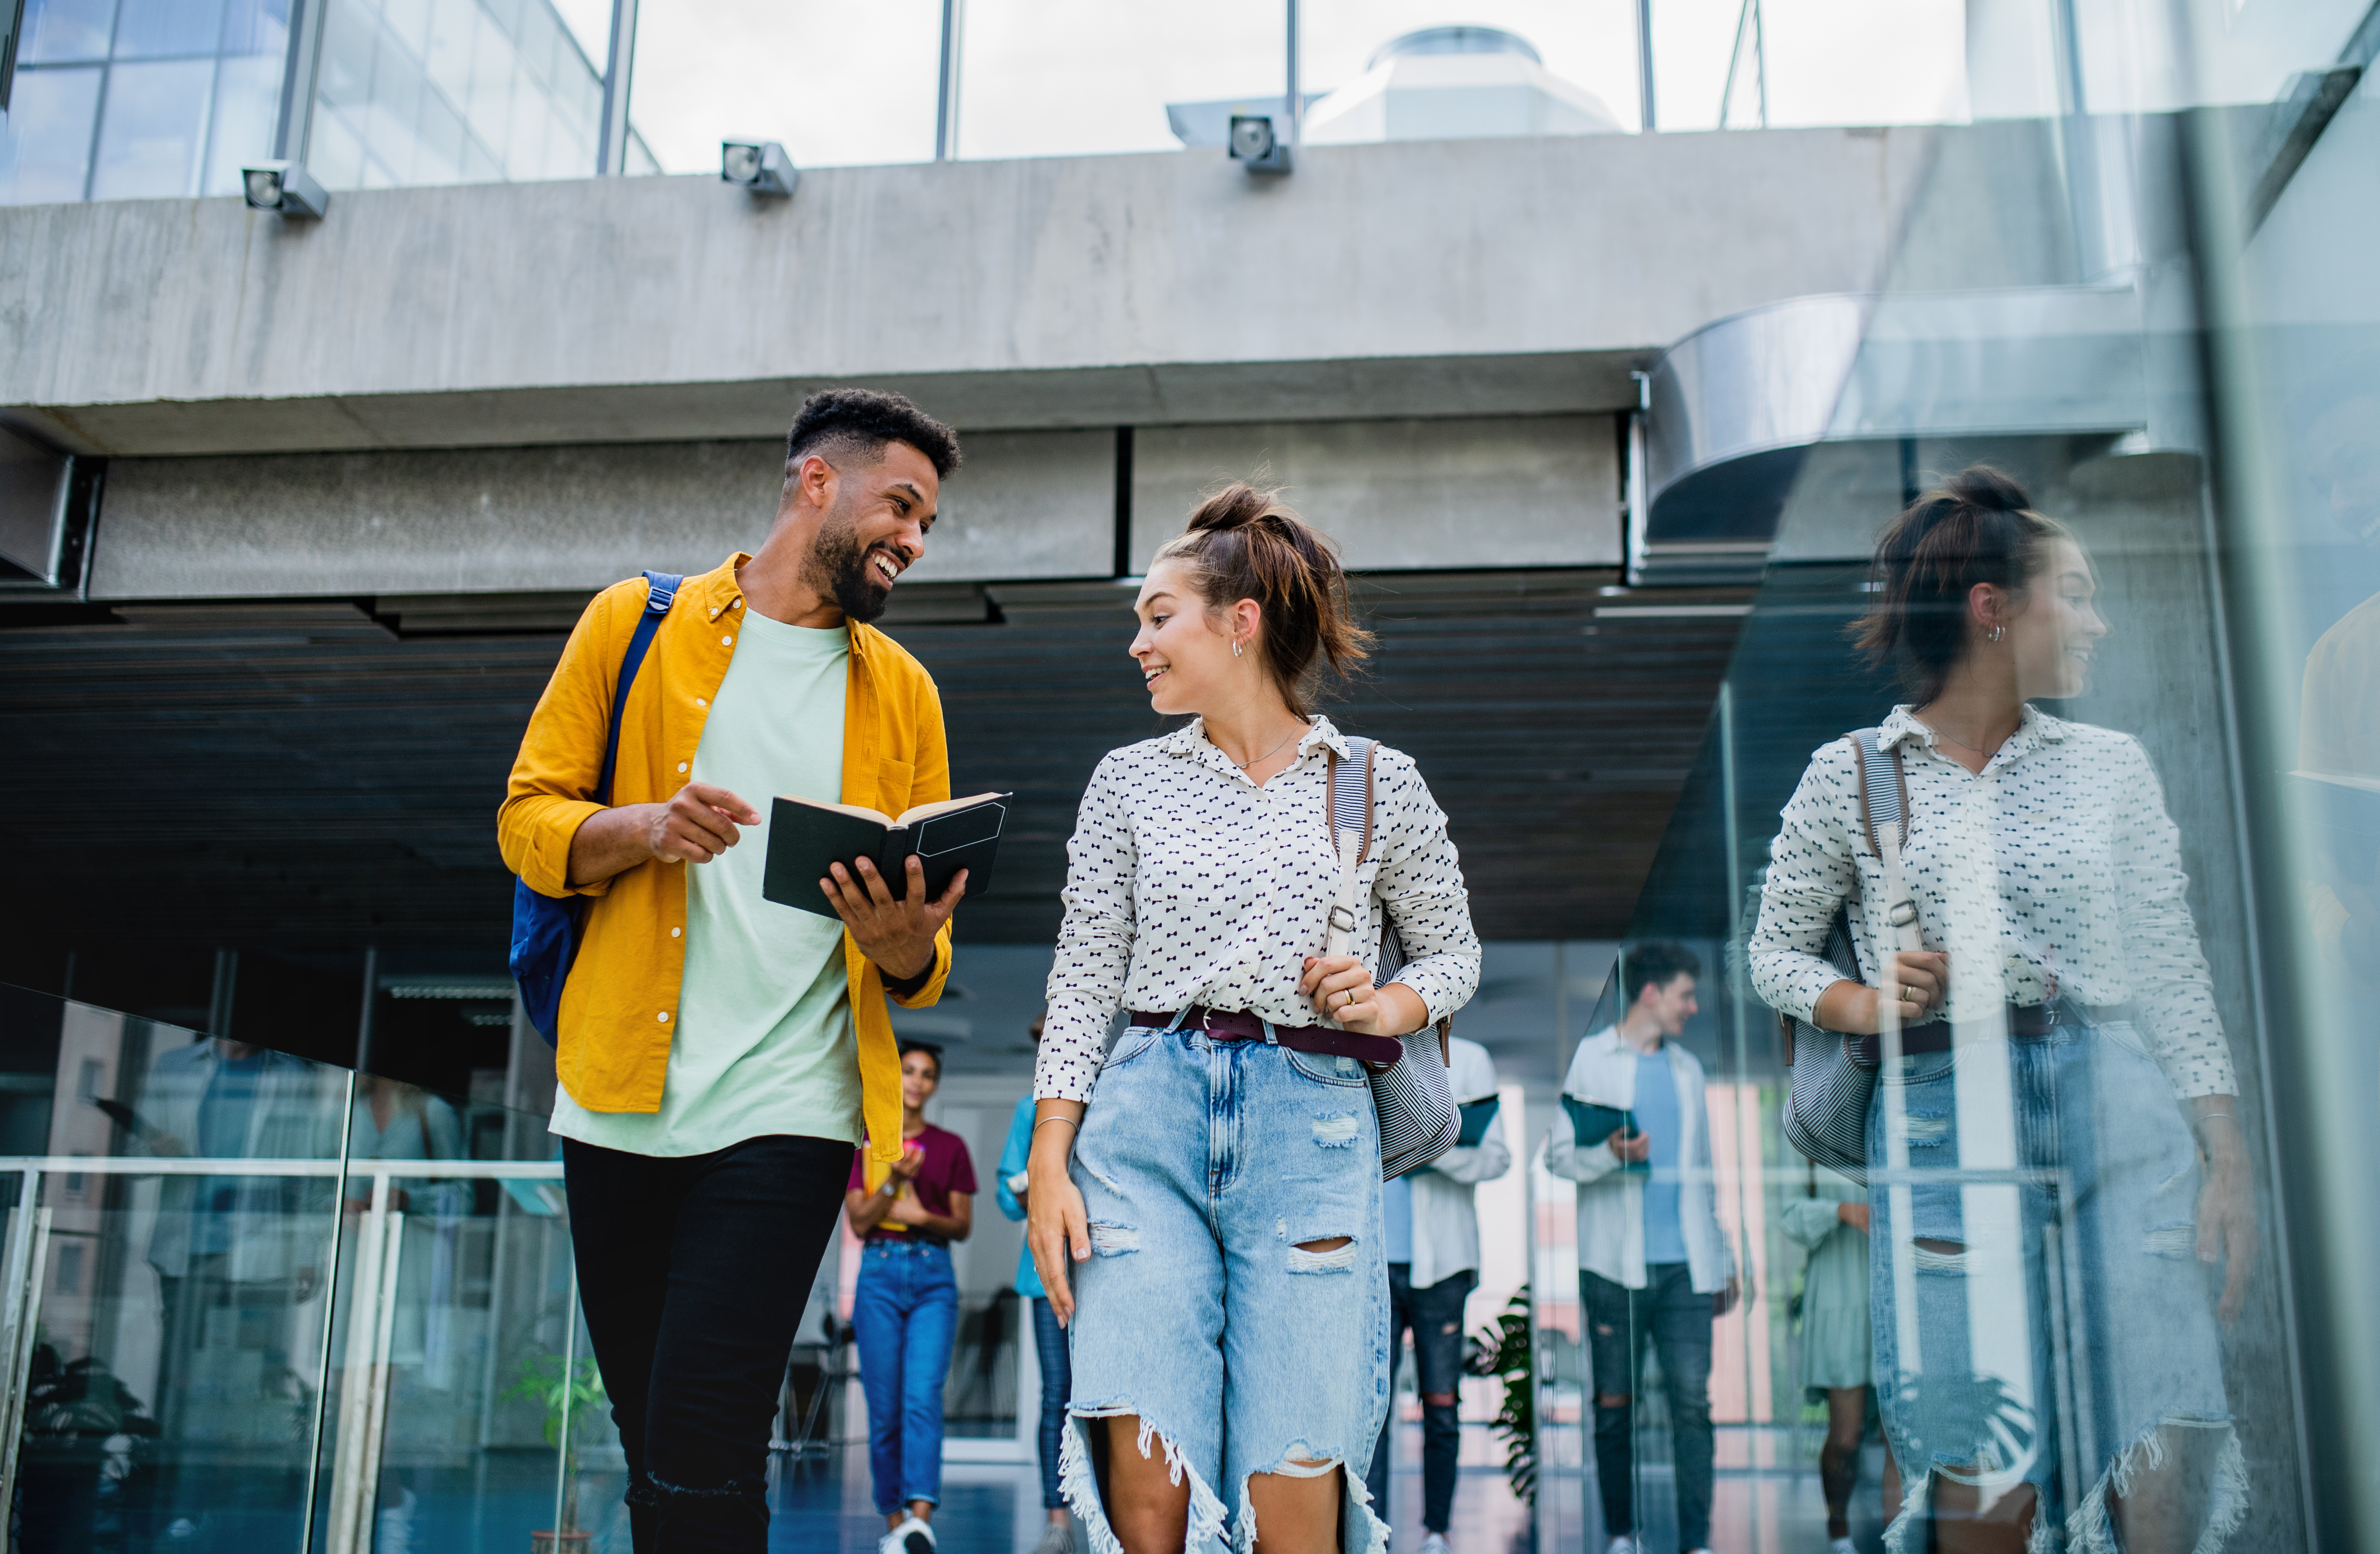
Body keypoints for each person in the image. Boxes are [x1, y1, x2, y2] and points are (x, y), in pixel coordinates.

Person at [1748, 466, 2256, 1554]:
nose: (2097, 620)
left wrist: (2228, 1154)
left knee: (2156, 1444)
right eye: (2074, 592)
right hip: (1940, 1112)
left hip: (2119, 1105)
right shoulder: (1853, 774)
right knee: (1977, 1470)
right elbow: (1774, 956)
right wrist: (1869, 1001)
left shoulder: (2109, 768)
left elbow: (2172, 965)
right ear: (1993, 608)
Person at [496, 388, 970, 1554]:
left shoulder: (903, 689)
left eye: (928, 524)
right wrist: (644, 828)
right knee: (652, 1433)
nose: (913, 538)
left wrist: (909, 947)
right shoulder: (635, 622)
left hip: (790, 1105)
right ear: (817, 481)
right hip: (618, 1095)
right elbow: (527, 819)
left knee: (706, 1434)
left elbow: (921, 952)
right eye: (900, 506)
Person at [1026, 484, 1483, 1554]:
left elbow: (1454, 949)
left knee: (1293, 1500)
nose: (1137, 642)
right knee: (1149, 1499)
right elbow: (1086, 975)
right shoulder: (1127, 782)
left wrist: (1386, 1000)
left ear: (1242, 622)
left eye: (1156, 615)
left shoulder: (1374, 782)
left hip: (1310, 1132)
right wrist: (1051, 1153)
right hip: (1141, 1127)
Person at [1546, 941, 1738, 1554]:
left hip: (1685, 1266)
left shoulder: (1688, 1070)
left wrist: (1724, 1260)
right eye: (1685, 993)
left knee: (1691, 1403)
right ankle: (1621, 1534)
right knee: (1613, 1406)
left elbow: (1702, 1174)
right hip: (1612, 1267)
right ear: (1650, 994)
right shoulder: (1587, 1062)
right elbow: (1552, 1155)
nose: (1693, 1006)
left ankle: (1695, 1542)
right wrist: (1610, 1155)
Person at [1363, 1034, 1510, 1553]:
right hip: (1370, 1264)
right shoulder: (1365, 1049)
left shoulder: (1471, 1059)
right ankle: (1369, 1531)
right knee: (1371, 1407)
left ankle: (1436, 1532)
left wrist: (1432, 1147)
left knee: (1441, 1403)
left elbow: (1495, 1159)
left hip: (1444, 1265)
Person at [845, 1041, 975, 1554]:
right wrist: (895, 1181)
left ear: (934, 1085)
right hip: (876, 1273)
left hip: (932, 1275)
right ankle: (895, 1522)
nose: (917, 1081)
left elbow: (961, 1226)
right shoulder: (867, 1143)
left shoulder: (951, 1147)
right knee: (885, 1407)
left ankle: (920, 1520)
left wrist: (921, 1216)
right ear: (895, 1079)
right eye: (909, 1072)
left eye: (926, 1074)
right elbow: (858, 1221)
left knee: (922, 1397)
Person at [1778, 1154, 1897, 1554]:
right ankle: (1838, 1530)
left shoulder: (1891, 1112)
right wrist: (1842, 1211)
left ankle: (1902, 1537)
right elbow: (1789, 1215)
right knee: (1845, 1437)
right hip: (1837, 1292)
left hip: (1895, 1294)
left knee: (1899, 1440)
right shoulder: (1808, 1131)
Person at [995, 1014, 1076, 1554]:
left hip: (1107, 1273)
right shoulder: (1030, 1112)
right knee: (1057, 1396)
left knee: (1111, 1399)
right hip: (1047, 1276)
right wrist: (1037, 1187)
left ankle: (1117, 1516)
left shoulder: (1108, 1102)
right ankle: (1057, 1521)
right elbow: (1008, 1196)